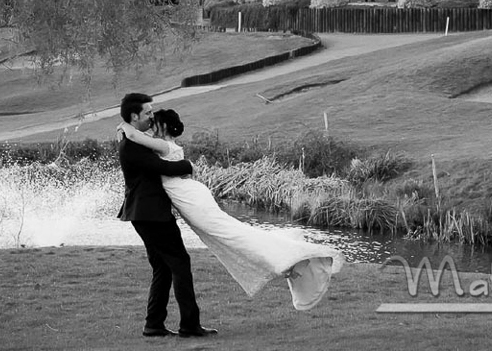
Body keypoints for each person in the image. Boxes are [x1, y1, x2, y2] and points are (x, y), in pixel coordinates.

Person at [118, 109, 346, 311]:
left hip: (192, 199)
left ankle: (284, 260)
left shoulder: (164, 145)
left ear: (164, 127)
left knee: (230, 235)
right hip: (191, 196)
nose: (150, 127)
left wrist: (125, 125)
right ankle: (282, 260)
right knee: (230, 233)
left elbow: (135, 136)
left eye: (154, 122)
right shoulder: (167, 146)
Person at [116, 92, 213, 338]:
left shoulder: (135, 139)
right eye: (147, 113)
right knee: (180, 263)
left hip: (146, 213)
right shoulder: (132, 146)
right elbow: (164, 168)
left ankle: (154, 324)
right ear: (134, 116)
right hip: (151, 214)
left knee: (163, 267)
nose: (151, 116)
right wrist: (189, 166)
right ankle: (189, 325)